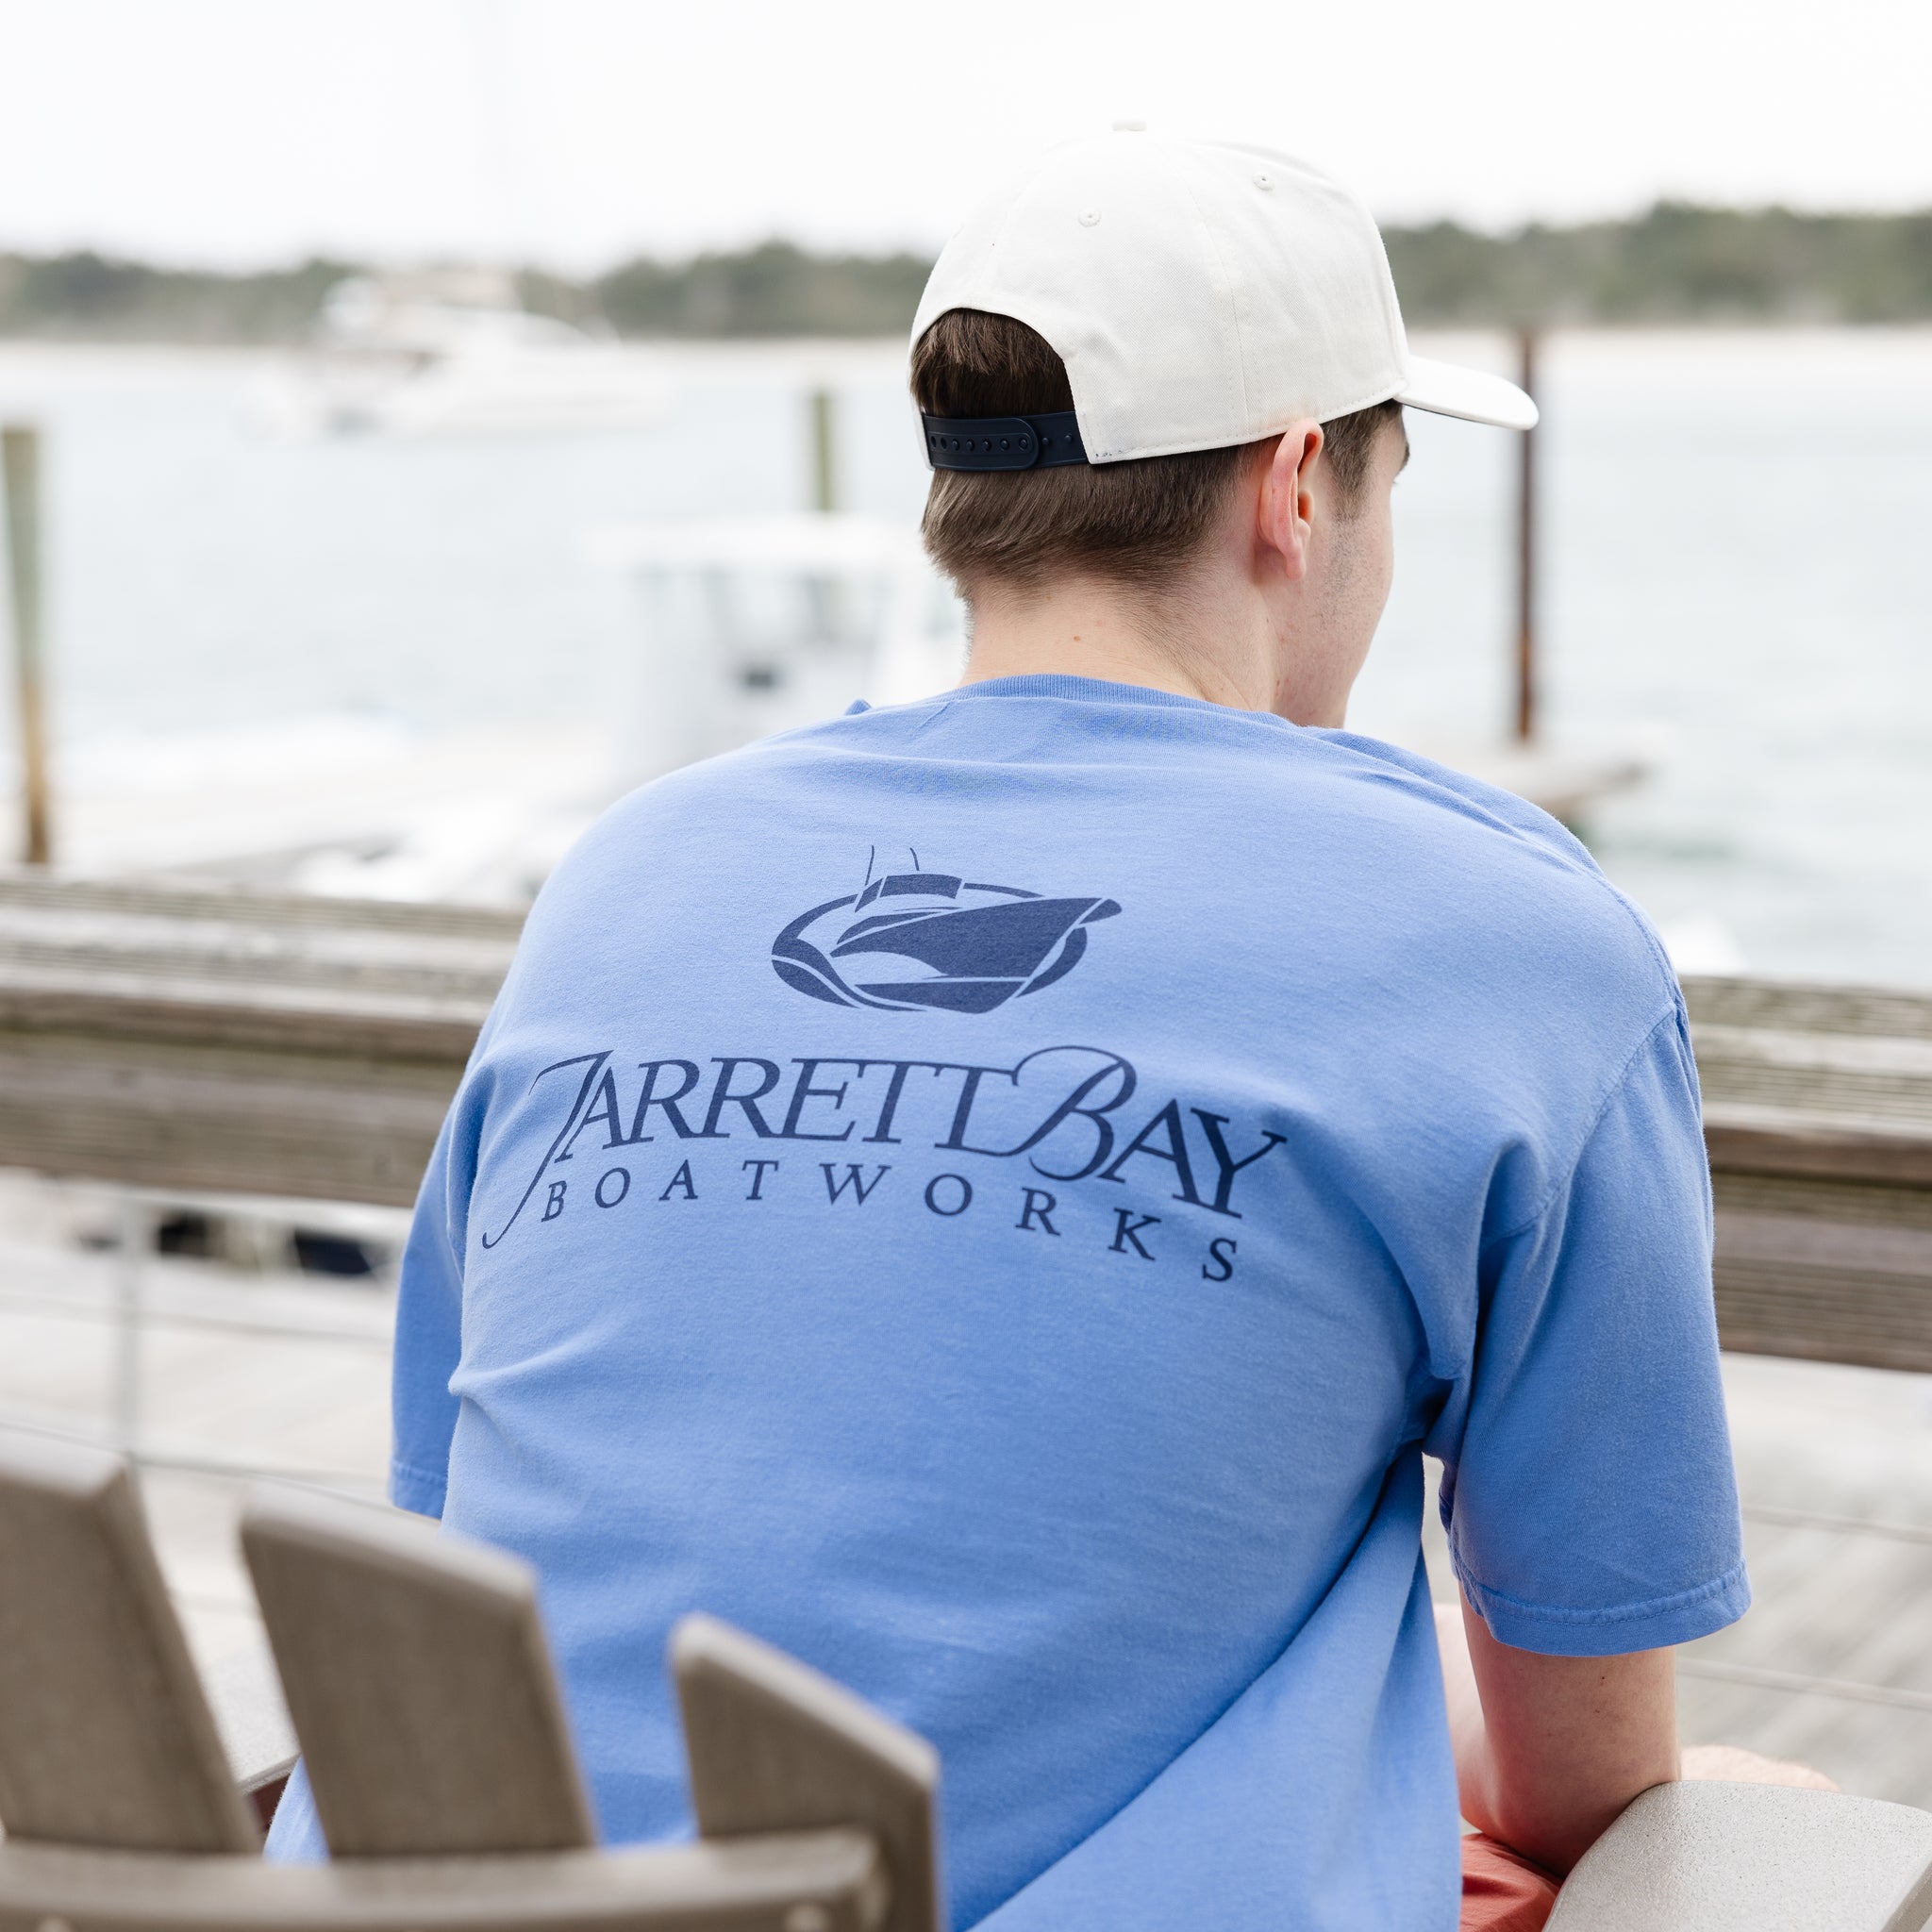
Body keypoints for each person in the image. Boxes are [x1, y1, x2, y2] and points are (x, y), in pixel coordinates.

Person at [270, 131, 1764, 1928]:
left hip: (442, 1891)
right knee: (1769, 1819)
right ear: (1297, 487)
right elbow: (1586, 1783)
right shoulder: (1514, 940)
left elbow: (472, 1520)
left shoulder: (635, 869)